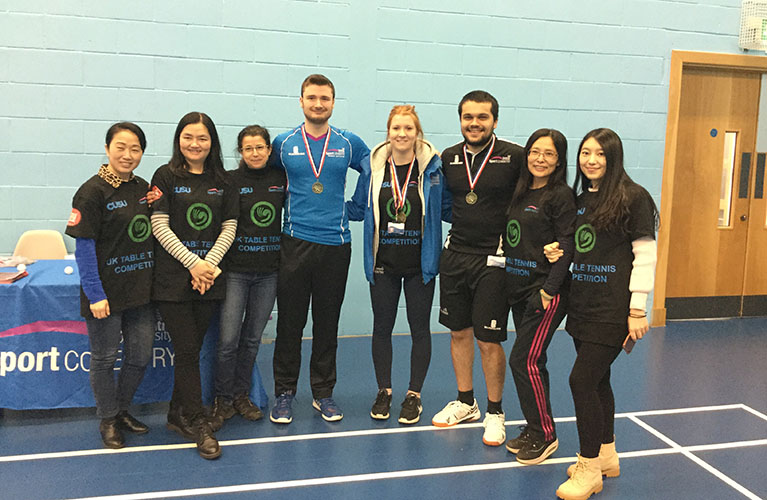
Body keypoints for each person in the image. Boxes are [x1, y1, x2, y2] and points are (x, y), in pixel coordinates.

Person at [554, 128, 657, 500]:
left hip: (613, 311)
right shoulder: (582, 200)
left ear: (613, 158)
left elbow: (645, 255)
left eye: (599, 153)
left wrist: (637, 308)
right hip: (582, 306)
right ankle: (607, 455)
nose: (591, 160)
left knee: (580, 381)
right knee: (598, 382)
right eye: (585, 153)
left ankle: (588, 467)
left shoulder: (634, 197)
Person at [269, 74, 370, 423]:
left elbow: (372, 168)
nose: (318, 103)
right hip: (294, 242)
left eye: (324, 98)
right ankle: (284, 393)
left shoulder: (348, 142)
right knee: (290, 324)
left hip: (335, 244)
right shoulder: (283, 143)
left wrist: (355, 208)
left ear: (332, 102)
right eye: (311, 98)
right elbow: (265, 184)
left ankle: (323, 393)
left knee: (327, 324)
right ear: (301, 101)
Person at [432, 90, 525, 447]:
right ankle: (466, 401)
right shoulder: (449, 157)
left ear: (495, 121)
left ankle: (495, 411)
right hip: (456, 255)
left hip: (495, 259)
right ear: (460, 120)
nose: (474, 123)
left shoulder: (514, 156)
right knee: (458, 332)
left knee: (488, 339)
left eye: (482, 117)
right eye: (468, 117)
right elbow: (444, 204)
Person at [149, 112, 238, 460]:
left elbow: (228, 228)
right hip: (174, 281)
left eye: (202, 138)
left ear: (211, 142)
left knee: (192, 348)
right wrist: (193, 263)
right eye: (188, 137)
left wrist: (208, 265)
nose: (195, 144)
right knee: (187, 350)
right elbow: (159, 225)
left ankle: (176, 413)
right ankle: (199, 422)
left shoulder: (224, 181)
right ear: (178, 139)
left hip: (209, 280)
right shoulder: (165, 176)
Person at [347, 105, 443, 424]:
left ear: (418, 133)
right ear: (388, 132)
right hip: (383, 265)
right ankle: (384, 391)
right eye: (396, 128)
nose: (402, 134)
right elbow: (359, 208)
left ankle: (413, 395)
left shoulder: (432, 169)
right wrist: (317, 201)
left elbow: (450, 209)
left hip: (420, 266)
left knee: (419, 330)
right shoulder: (373, 167)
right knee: (381, 329)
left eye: (408, 129)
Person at [65, 122, 154, 449]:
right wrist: (95, 294)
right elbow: (84, 248)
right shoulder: (91, 192)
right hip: (105, 294)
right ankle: (108, 419)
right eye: (121, 147)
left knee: (140, 356)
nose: (128, 155)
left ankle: (122, 410)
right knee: (104, 359)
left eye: (135, 149)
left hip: (141, 292)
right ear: (107, 148)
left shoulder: (144, 188)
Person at [503, 129, 576, 464]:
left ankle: (545, 435)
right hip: (520, 290)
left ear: (559, 159)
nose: (540, 159)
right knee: (536, 361)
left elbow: (567, 245)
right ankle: (535, 427)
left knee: (523, 360)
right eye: (535, 152)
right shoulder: (520, 190)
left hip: (545, 292)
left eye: (549, 154)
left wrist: (549, 290)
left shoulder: (560, 195)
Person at [211, 125, 285, 425]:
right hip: (235, 273)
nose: (255, 153)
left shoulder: (281, 179)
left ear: (269, 150)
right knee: (228, 340)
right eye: (248, 148)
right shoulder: (229, 180)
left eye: (260, 147)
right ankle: (222, 400)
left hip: (269, 273)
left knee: (252, 339)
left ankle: (242, 396)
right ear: (240, 152)